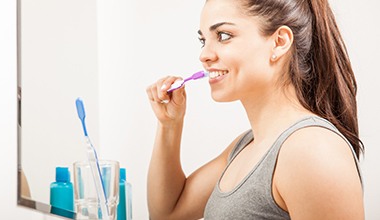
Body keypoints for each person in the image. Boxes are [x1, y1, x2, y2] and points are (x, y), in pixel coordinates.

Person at [145, 0, 364, 219]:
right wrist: (169, 124)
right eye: (203, 40)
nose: (204, 55)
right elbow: (169, 213)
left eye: (223, 35)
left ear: (279, 42)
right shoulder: (247, 147)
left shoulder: (312, 150)